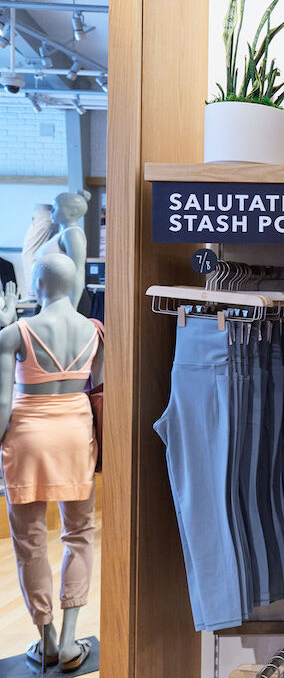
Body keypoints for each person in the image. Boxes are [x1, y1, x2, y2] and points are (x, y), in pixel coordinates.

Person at [0, 254, 102, 671]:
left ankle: (43, 638)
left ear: (37, 284)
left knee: (30, 542)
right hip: (76, 436)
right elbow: (102, 393)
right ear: (73, 283)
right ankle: (69, 639)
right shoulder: (95, 330)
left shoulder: (14, 333)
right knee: (79, 534)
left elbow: (1, 405)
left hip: (27, 438)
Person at [35, 190, 90, 311]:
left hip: (66, 301)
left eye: (56, 207)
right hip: (51, 299)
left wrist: (72, 308)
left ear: (73, 211)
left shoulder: (72, 233)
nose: (52, 211)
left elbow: (78, 269)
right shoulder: (60, 234)